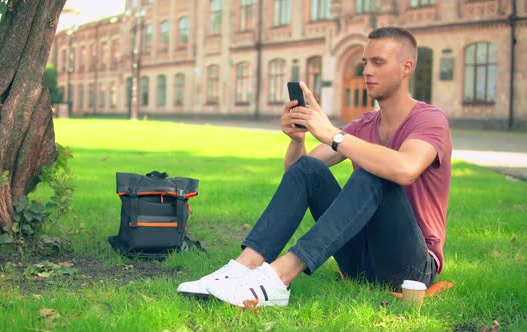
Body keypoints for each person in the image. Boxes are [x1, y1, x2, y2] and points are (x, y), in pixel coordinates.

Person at [177, 26, 452, 307]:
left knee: (374, 175)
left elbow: (406, 168)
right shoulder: (364, 124)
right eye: (365, 62)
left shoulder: (430, 120)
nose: (367, 71)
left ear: (407, 67)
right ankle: (241, 268)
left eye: (378, 62)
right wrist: (297, 140)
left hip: (412, 269)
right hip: (358, 262)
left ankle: (278, 278)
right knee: (310, 168)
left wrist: (335, 135)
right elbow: (298, 175)